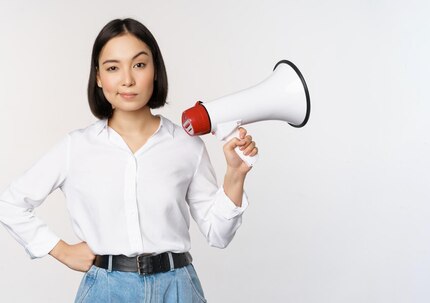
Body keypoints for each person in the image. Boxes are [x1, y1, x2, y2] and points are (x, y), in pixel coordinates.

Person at [0, 18, 257, 302]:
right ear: (98, 77)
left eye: (139, 64)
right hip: (105, 290)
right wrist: (60, 250)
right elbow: (10, 203)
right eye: (113, 68)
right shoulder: (77, 147)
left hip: (179, 289)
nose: (127, 80)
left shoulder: (186, 145)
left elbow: (219, 235)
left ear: (155, 70)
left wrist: (235, 174)